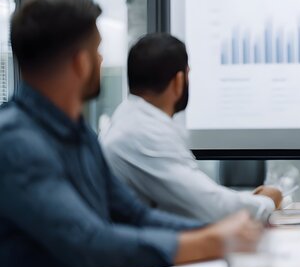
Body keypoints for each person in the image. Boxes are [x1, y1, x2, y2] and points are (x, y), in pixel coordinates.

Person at [0, 0, 262, 267]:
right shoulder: (15, 142)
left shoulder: (78, 134)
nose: (101, 60)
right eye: (97, 50)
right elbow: (89, 242)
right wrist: (208, 241)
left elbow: (135, 215)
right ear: (80, 63)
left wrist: (215, 233)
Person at [100, 33, 282, 223]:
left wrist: (249, 200)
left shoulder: (132, 119)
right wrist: (267, 200)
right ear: (179, 81)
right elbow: (212, 208)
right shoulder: (142, 133)